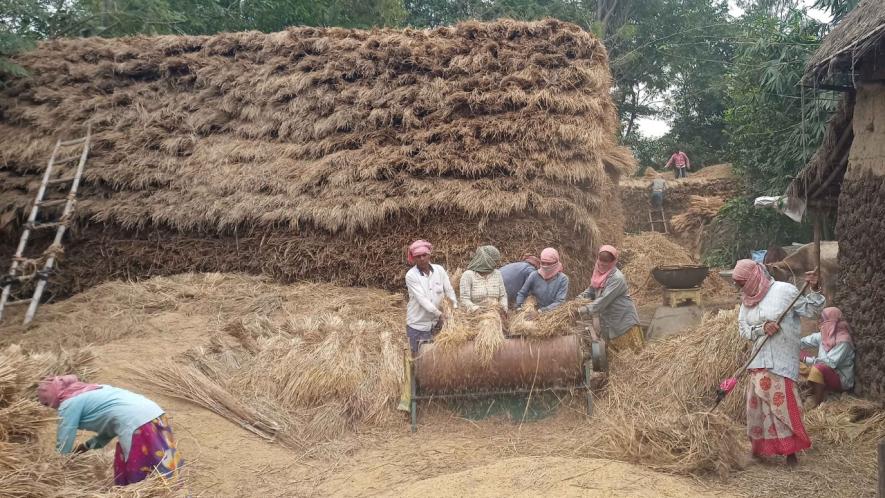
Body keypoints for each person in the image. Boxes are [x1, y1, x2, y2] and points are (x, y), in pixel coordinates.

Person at [732, 259, 825, 465]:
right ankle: (760, 451)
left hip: (781, 360)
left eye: (742, 282)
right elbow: (744, 330)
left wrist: (815, 288)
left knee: (781, 406)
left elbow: (811, 310)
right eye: (738, 284)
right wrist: (761, 329)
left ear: (754, 277)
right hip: (758, 361)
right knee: (757, 409)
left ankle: (790, 453)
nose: (740, 288)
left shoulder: (784, 291)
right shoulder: (746, 302)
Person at [37, 375, 181, 486]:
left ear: (52, 397)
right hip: (155, 416)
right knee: (162, 462)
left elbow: (65, 439)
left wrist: (56, 466)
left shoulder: (68, 403)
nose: (50, 407)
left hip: (138, 425)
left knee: (140, 469)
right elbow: (111, 426)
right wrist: (87, 446)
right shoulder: (92, 390)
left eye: (46, 403)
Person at [577, 245, 643, 353]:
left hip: (623, 323)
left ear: (613, 262)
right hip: (609, 323)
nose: (602, 264)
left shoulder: (617, 278)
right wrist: (577, 300)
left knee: (630, 359)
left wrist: (584, 310)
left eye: (606, 261)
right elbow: (591, 290)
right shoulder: (599, 273)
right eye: (600, 260)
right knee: (614, 361)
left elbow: (603, 300)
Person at [404, 239, 457, 353]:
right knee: (418, 361)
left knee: (438, 359)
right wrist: (440, 314)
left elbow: (448, 290)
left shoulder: (439, 270)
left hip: (437, 324)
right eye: (418, 256)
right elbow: (422, 300)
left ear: (429, 255)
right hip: (418, 325)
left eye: (424, 255)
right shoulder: (411, 276)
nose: (422, 258)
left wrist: (455, 307)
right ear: (413, 258)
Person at [799, 307, 855, 408]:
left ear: (831, 322)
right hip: (823, 372)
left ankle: (817, 403)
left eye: (823, 320)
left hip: (840, 379)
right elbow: (802, 342)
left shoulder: (843, 340)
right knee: (795, 363)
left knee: (817, 369)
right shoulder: (823, 336)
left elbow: (830, 363)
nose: (820, 322)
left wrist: (805, 359)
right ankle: (809, 391)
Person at [515, 247, 568, 312]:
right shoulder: (534, 275)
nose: (545, 266)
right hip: (534, 309)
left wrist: (541, 311)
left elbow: (560, 302)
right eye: (543, 263)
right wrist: (519, 306)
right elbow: (522, 293)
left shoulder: (562, 279)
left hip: (551, 313)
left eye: (549, 263)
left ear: (556, 263)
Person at [459, 245, 507, 311]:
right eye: (494, 261)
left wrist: (503, 308)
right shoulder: (468, 275)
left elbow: (503, 296)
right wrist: (476, 309)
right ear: (486, 260)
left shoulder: (497, 274)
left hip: (495, 313)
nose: (496, 264)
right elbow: (464, 299)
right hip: (476, 316)